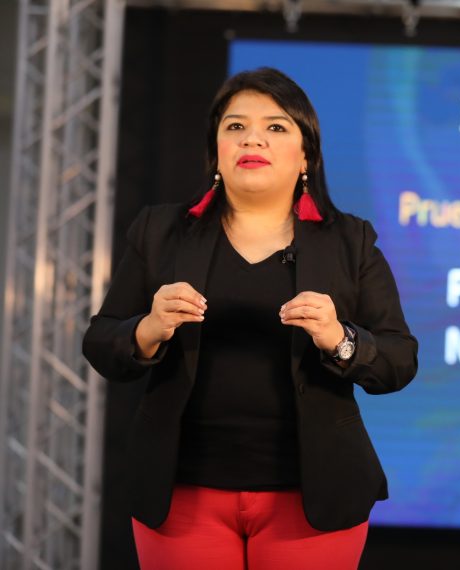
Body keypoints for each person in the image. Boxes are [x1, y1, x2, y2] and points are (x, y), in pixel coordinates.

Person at [82, 67, 418, 570]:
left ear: (306, 156)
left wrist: (340, 338)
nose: (252, 138)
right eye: (235, 126)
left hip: (312, 498)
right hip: (181, 495)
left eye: (275, 127)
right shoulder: (160, 231)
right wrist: (149, 328)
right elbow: (101, 342)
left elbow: (399, 359)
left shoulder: (350, 241)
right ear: (216, 150)